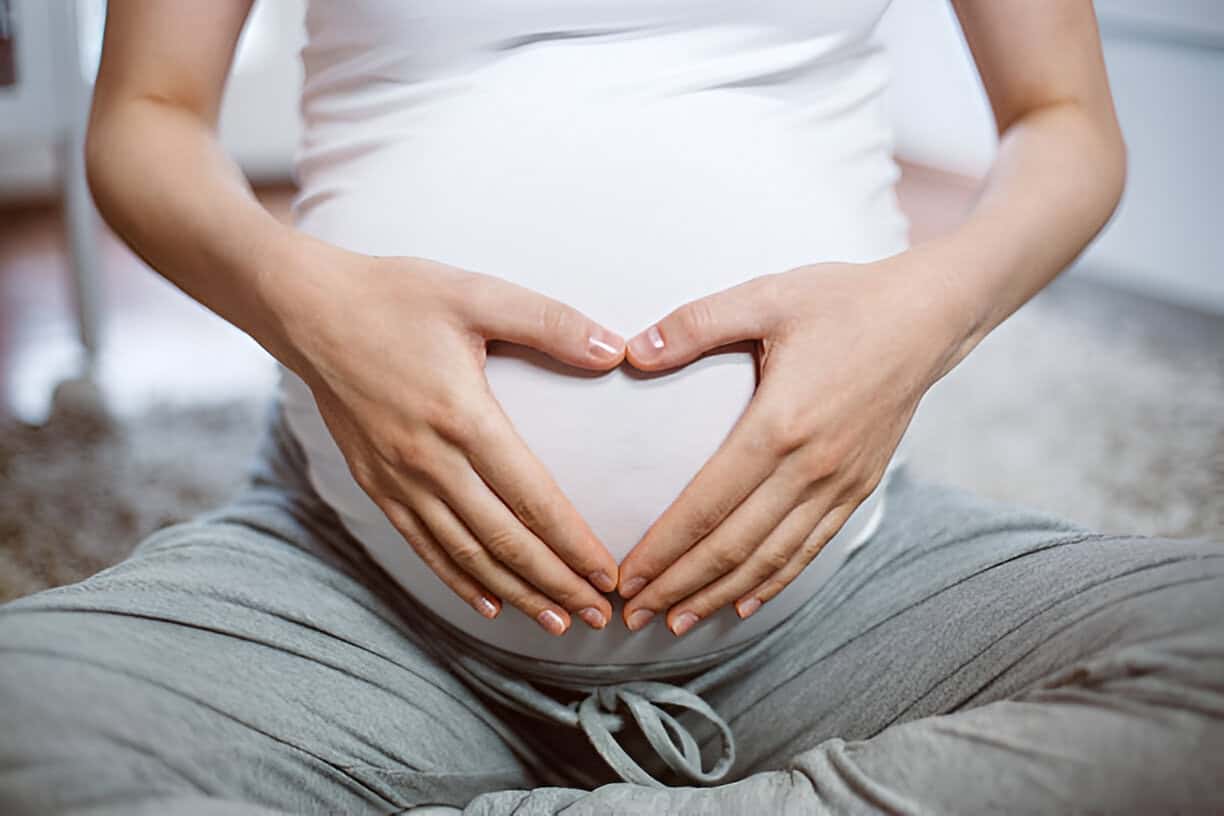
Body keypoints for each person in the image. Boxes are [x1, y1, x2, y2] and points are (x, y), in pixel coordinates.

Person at [2, 0, 1221, 813]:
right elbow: (145, 123)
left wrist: (920, 318)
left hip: (837, 599)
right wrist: (309, 303)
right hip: (354, 597)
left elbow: (1066, 127)